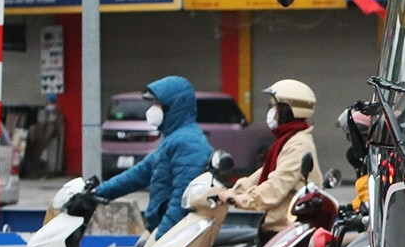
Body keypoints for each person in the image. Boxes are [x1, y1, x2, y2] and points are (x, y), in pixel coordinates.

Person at [88, 76, 213, 236]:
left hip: (173, 233)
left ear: (173, 107)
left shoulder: (187, 142)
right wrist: (99, 192)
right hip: (161, 228)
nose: (153, 109)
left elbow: (182, 198)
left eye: (157, 104)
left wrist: (162, 236)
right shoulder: (173, 138)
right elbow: (140, 173)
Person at [230, 80, 320, 238]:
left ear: (287, 109)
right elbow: (263, 174)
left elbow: (275, 187)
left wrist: (241, 200)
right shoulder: (287, 139)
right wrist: (233, 191)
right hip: (278, 229)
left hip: (287, 233)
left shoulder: (298, 144)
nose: (270, 111)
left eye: (273, 105)